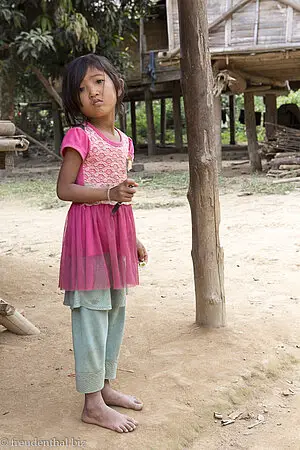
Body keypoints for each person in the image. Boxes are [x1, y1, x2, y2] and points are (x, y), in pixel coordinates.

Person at [56, 53, 148, 434]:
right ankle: (91, 403)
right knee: (92, 313)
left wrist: (135, 237)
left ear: (117, 86)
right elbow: (65, 189)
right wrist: (108, 191)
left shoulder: (125, 143)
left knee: (115, 309)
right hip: (87, 235)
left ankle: (105, 386)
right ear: (74, 102)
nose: (92, 92)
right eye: (81, 88)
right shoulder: (79, 136)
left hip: (116, 234)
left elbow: (120, 196)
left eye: (98, 81)